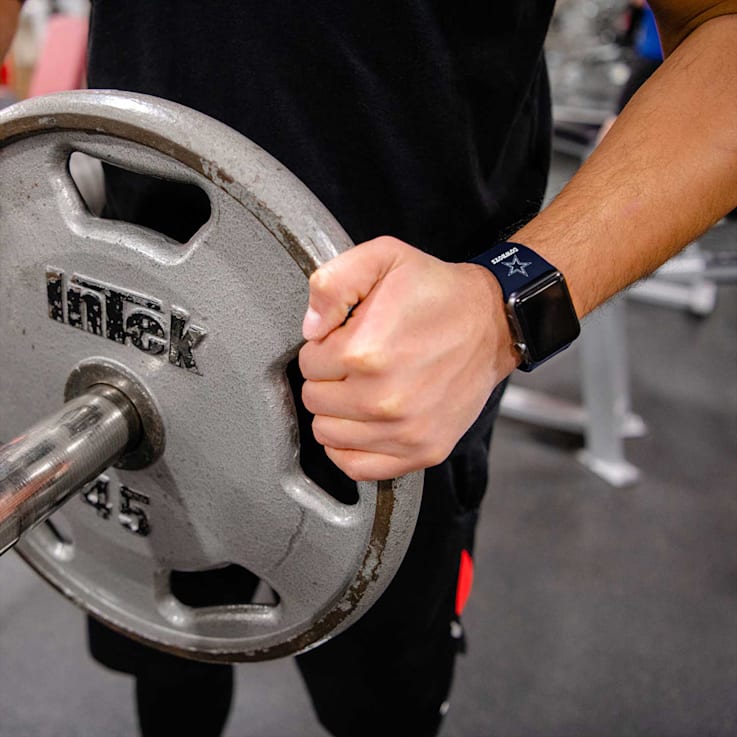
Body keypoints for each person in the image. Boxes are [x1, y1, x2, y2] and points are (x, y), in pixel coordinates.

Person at [1, 2, 736, 736]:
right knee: (166, 649)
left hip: (391, 382)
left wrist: (498, 306)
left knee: (381, 700)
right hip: (118, 303)